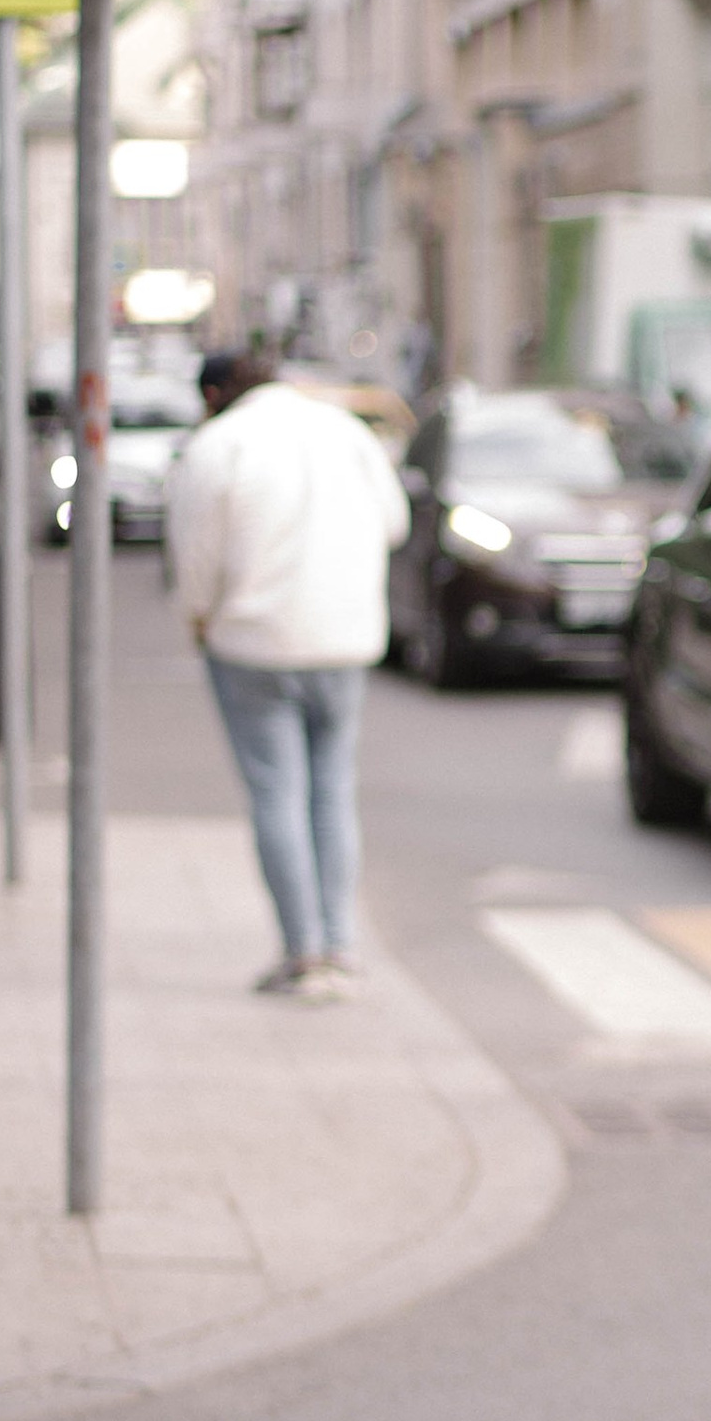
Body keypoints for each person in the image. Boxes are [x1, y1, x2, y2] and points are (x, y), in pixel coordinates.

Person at [167, 350, 408, 1002]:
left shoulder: (218, 444)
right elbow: (394, 523)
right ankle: (341, 944)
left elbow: (195, 551)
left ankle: (301, 952)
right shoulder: (345, 431)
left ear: (214, 393)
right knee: (332, 790)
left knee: (276, 795)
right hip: (345, 639)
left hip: (253, 642)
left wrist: (199, 616)